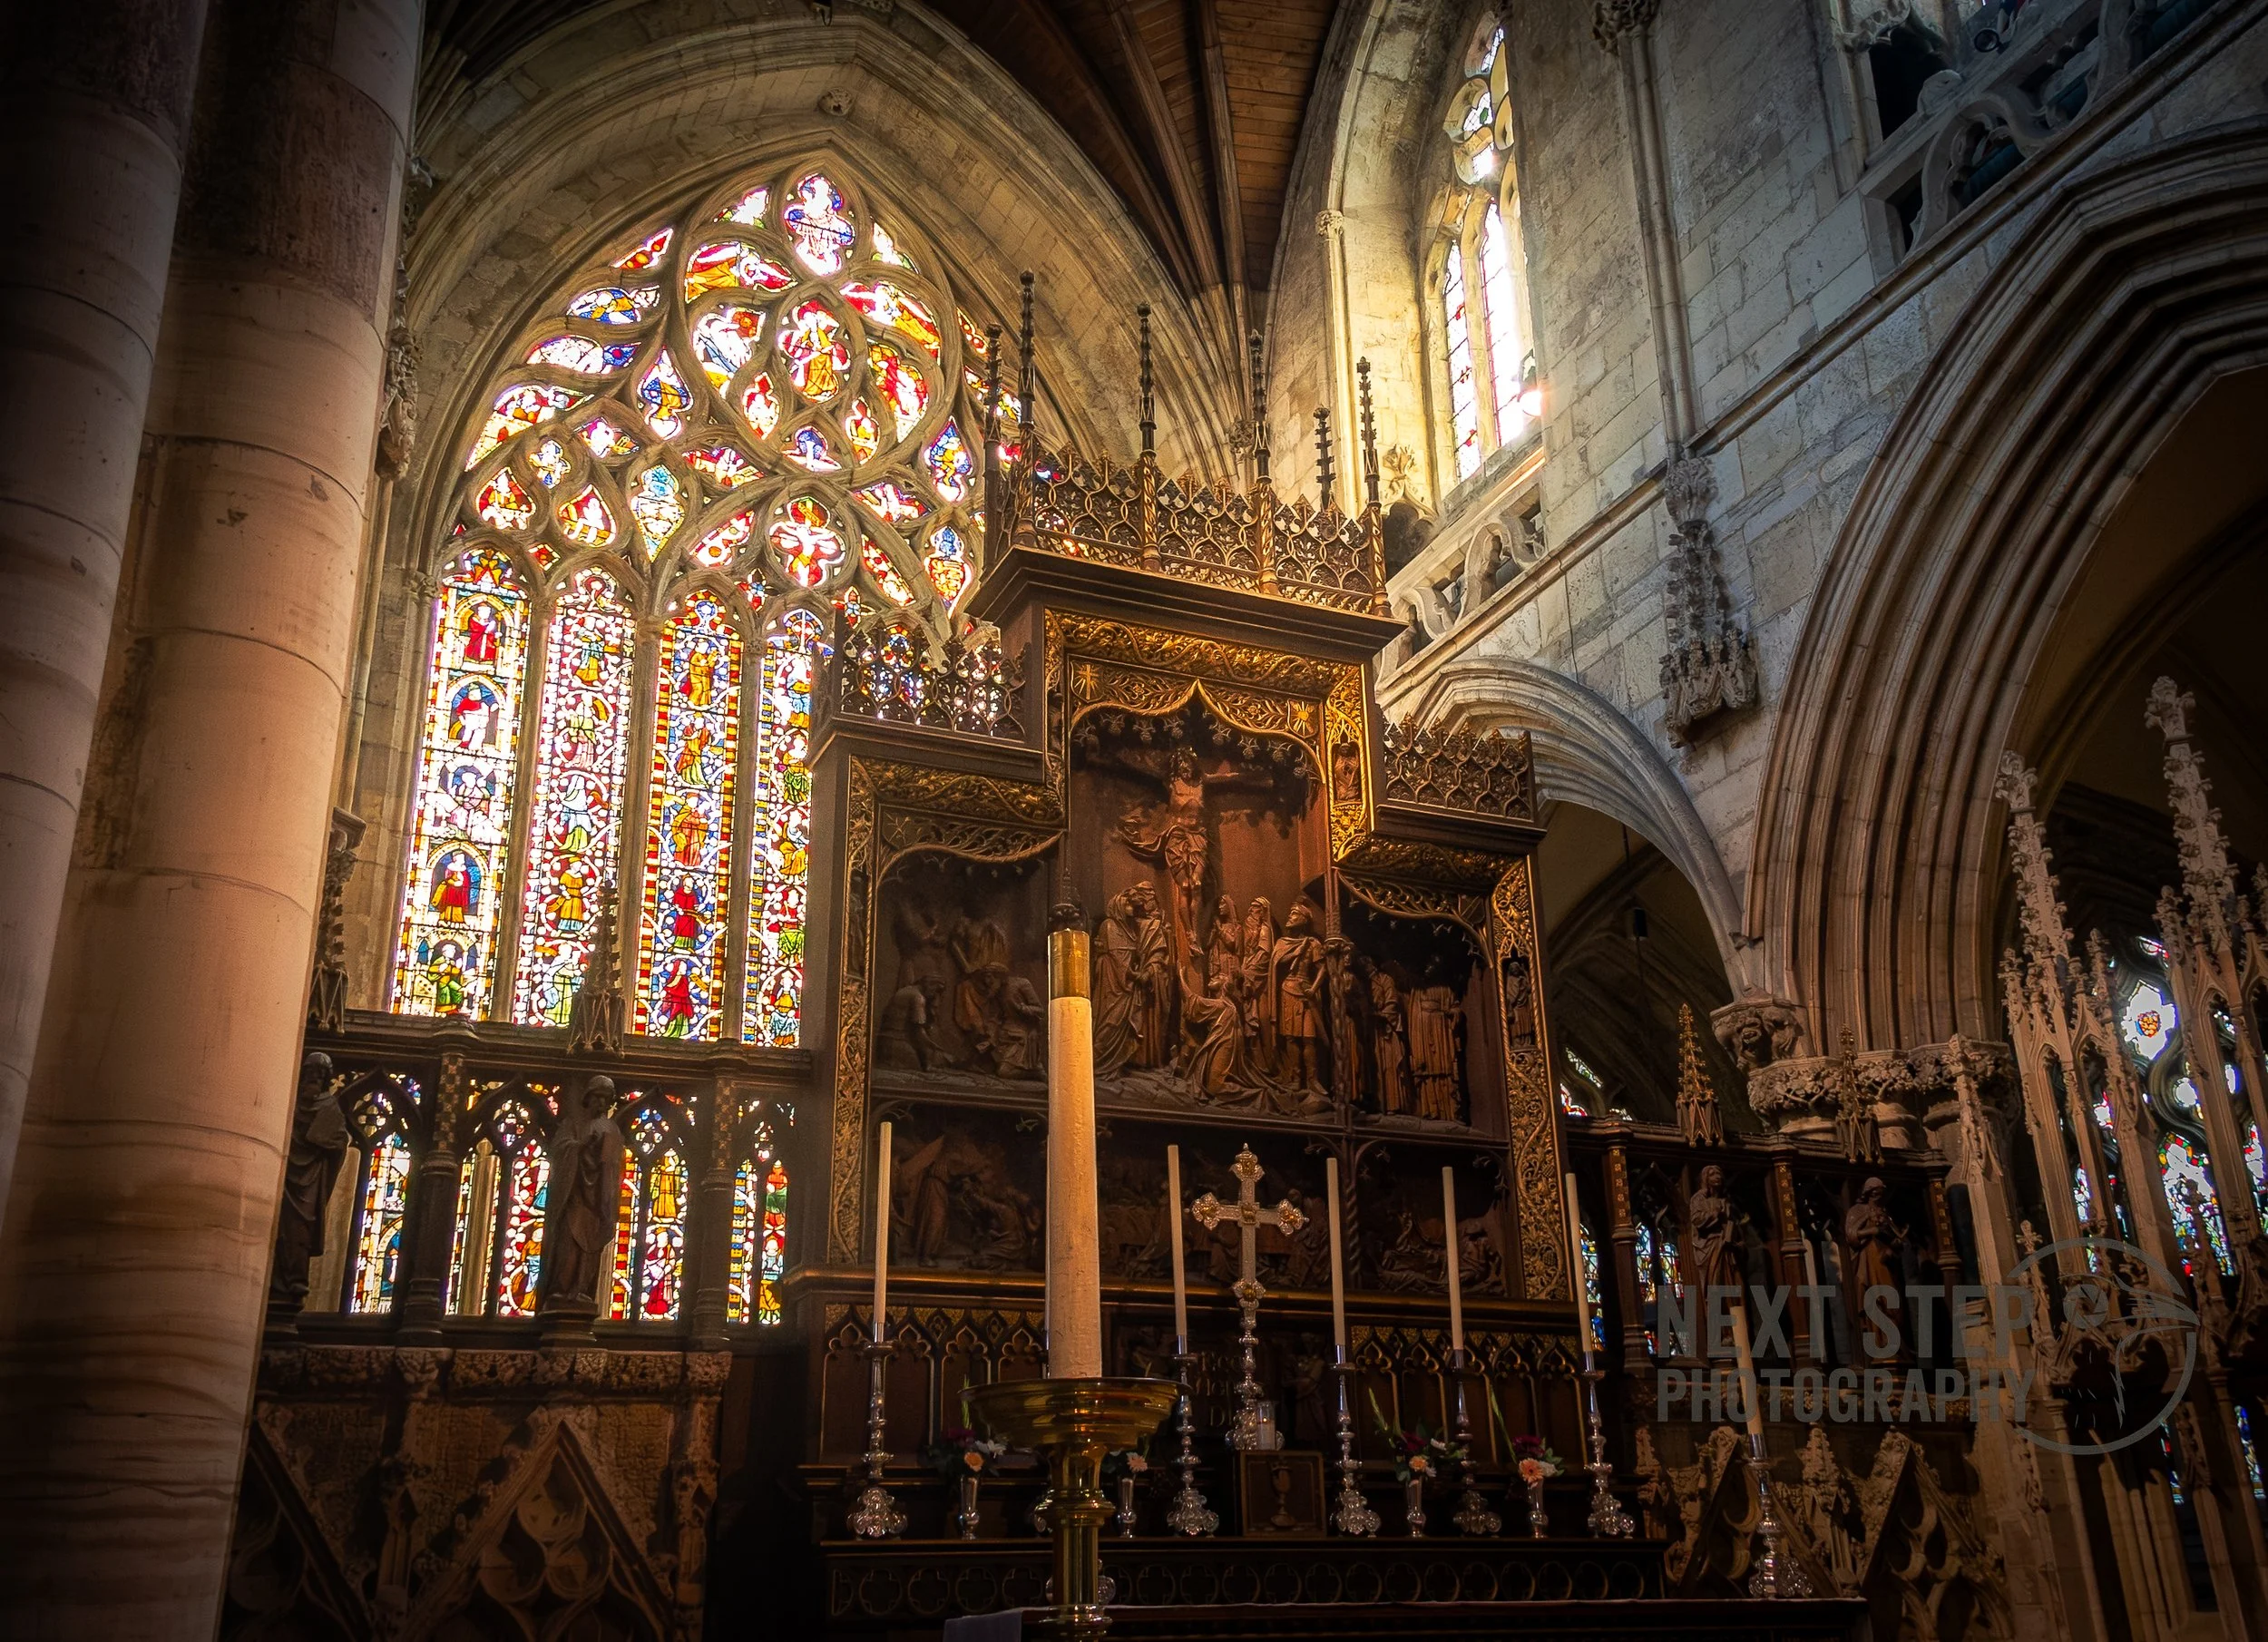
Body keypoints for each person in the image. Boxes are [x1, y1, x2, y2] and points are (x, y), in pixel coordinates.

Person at [541, 1078, 628, 1320]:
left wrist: (603, 1156)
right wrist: (580, 1148)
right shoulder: (573, 1124)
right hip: (575, 1197)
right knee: (568, 1246)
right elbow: (560, 1150)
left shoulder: (611, 1129)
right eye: (597, 1096)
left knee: (590, 1250)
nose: (601, 1102)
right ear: (588, 1098)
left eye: (605, 1098)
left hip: (597, 1202)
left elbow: (613, 1165)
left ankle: (582, 1291)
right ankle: (562, 1291)